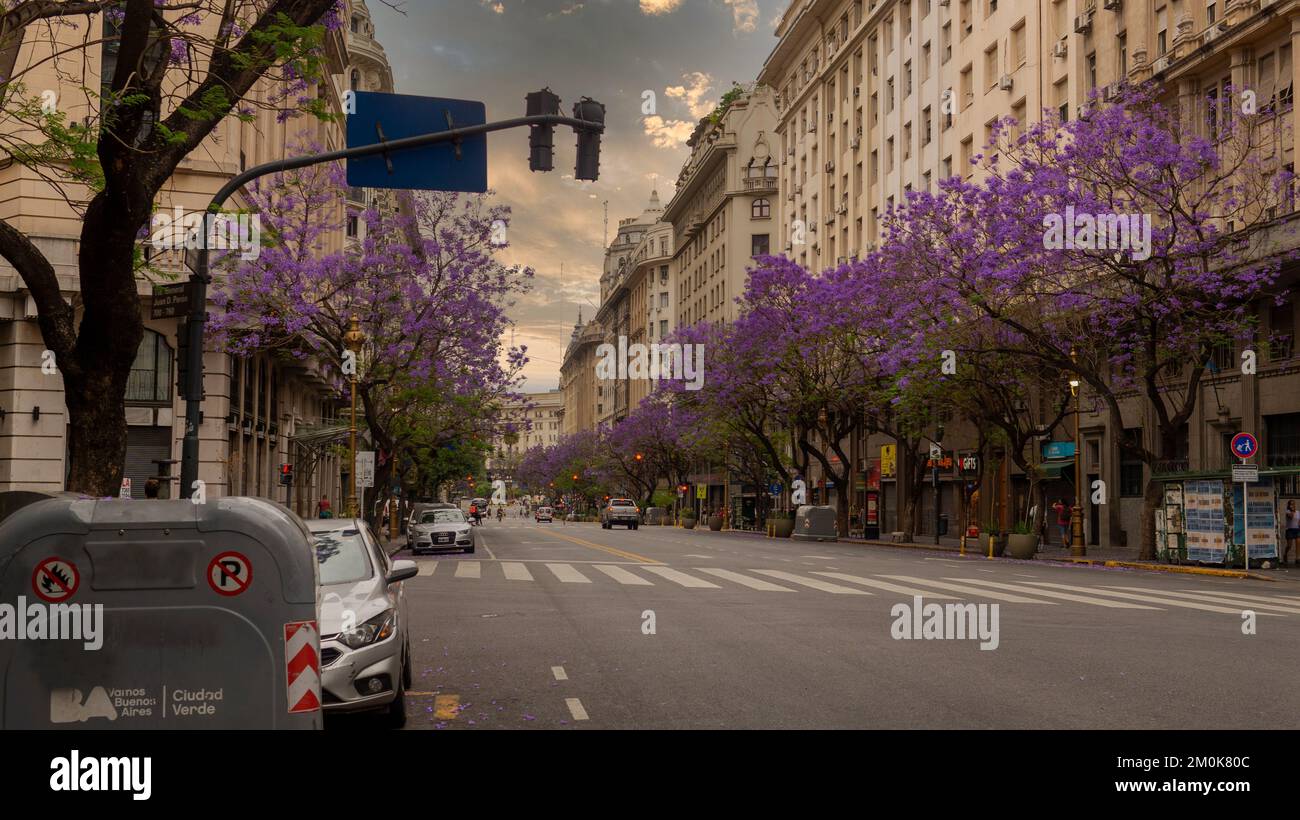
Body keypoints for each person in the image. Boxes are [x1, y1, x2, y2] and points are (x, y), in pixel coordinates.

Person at [1283, 500, 1300, 567]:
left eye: (1293, 504)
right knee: (1289, 546)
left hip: (1297, 529)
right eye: (1291, 504)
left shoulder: (1298, 512)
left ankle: (1297, 558)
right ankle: (1285, 554)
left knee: (1298, 543)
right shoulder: (1287, 512)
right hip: (1290, 530)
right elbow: (1291, 517)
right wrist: (1292, 511)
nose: (1292, 505)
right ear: (1289, 505)